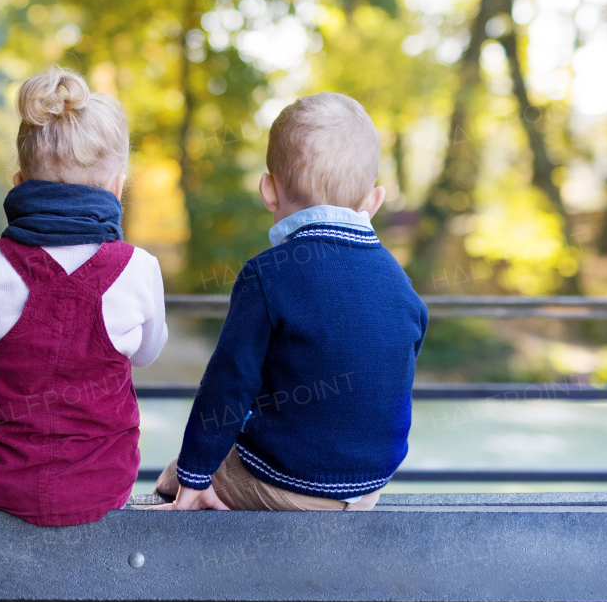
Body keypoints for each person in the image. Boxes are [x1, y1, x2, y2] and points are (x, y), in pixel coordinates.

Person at [153, 92, 427, 512]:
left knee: (177, 475)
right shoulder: (399, 280)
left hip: (290, 480)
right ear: (373, 202)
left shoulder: (269, 274)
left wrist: (193, 473)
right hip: (369, 485)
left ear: (268, 190)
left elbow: (229, 384)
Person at [0, 67, 167, 526]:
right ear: (118, 187)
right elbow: (146, 353)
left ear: (19, 183)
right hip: (103, 487)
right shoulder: (139, 268)